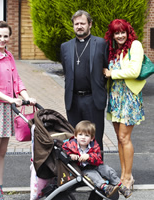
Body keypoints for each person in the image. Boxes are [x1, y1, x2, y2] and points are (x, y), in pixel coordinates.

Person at [0, 21, 36, 200]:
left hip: (7, 109)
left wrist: (26, 96)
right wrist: (11, 98)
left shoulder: (9, 55)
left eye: (5, 36)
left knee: (2, 152)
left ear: (9, 37)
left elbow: (17, 80)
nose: (2, 39)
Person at [103, 19, 146, 189]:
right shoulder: (114, 50)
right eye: (116, 32)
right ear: (112, 35)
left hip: (129, 97)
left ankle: (128, 178)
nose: (120, 35)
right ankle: (123, 174)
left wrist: (111, 73)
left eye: (122, 32)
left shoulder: (135, 46)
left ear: (128, 33)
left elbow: (134, 71)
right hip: (115, 97)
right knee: (119, 139)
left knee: (124, 137)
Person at [60, 10, 108, 156]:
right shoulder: (65, 47)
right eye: (76, 24)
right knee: (76, 139)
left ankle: (97, 173)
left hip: (93, 99)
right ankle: (79, 174)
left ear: (90, 24)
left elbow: (106, 67)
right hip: (73, 99)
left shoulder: (100, 43)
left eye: (82, 23)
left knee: (95, 138)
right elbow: (66, 70)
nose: (79, 26)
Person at [62, 120, 132, 198]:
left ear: (92, 138)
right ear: (75, 136)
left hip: (95, 165)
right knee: (94, 175)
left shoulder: (94, 145)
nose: (83, 137)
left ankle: (121, 186)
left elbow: (99, 159)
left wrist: (89, 156)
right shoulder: (70, 145)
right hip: (83, 169)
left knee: (107, 170)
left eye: (86, 135)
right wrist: (71, 155)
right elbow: (64, 150)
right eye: (80, 134)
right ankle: (106, 188)